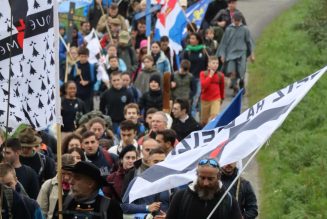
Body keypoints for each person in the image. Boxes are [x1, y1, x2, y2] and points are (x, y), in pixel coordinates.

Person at [166, 158, 243, 219]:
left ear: (218, 177)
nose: (205, 183)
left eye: (210, 179)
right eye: (202, 178)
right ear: (197, 175)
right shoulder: (180, 197)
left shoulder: (228, 200)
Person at [53, 161, 123, 219]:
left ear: (90, 183)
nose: (71, 182)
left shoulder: (110, 208)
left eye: (77, 178)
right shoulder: (62, 202)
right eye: (72, 177)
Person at [121, 147, 169, 217]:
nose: (159, 164)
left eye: (162, 161)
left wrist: (167, 215)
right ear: (149, 162)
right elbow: (124, 206)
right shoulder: (137, 181)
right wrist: (147, 208)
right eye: (155, 161)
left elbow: (177, 207)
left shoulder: (171, 183)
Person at [217, 11, 255, 94]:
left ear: (241, 20)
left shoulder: (245, 29)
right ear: (232, 20)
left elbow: (249, 42)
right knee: (232, 72)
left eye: (238, 20)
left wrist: (252, 54)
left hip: (241, 53)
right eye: (235, 20)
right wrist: (222, 55)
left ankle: (241, 82)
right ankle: (235, 88)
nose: (237, 22)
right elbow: (224, 43)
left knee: (241, 71)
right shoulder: (228, 29)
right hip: (231, 54)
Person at [37, 154, 76, 219]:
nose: (66, 177)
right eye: (63, 173)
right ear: (57, 169)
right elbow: (41, 212)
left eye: (69, 174)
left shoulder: (79, 186)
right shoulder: (48, 185)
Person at [182, 32, 208, 117]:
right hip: (189, 78)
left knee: (197, 97)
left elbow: (207, 64)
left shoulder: (204, 50)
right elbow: (183, 64)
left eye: (193, 38)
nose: (191, 40)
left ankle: (197, 116)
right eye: (190, 38)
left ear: (198, 40)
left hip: (200, 78)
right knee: (191, 97)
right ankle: (191, 115)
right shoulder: (187, 51)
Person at [68, 47, 97, 112]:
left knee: (87, 113)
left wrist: (88, 82)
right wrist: (76, 75)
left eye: (85, 56)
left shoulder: (91, 67)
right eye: (81, 56)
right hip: (77, 94)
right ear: (79, 56)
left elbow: (95, 80)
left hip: (88, 95)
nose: (83, 58)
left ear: (88, 56)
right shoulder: (75, 66)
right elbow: (70, 79)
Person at [200, 56, 225, 126]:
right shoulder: (203, 73)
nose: (215, 65)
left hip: (216, 99)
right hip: (205, 99)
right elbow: (204, 85)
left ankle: (213, 131)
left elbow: (222, 87)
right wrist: (210, 75)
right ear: (208, 64)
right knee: (203, 121)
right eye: (213, 63)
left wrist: (222, 98)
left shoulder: (220, 75)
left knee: (214, 117)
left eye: (217, 63)